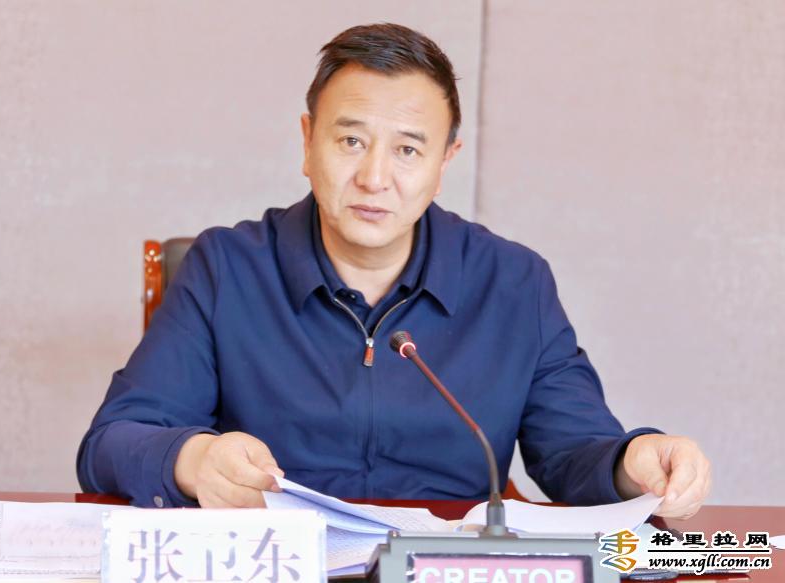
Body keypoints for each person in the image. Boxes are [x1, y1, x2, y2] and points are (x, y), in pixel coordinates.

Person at [77, 23, 710, 518]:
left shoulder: (513, 283)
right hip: (280, 561)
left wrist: (635, 461)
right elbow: (111, 442)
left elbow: (574, 452)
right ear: (307, 142)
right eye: (350, 141)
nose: (375, 177)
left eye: (407, 149)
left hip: (444, 566)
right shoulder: (227, 268)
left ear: (445, 160)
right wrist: (193, 459)